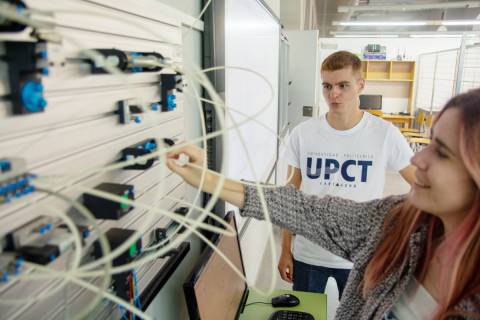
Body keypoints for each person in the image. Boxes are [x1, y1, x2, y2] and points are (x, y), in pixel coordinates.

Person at [167, 88, 480, 319]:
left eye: (441, 152)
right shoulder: (397, 223)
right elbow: (304, 208)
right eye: (428, 143)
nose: (417, 158)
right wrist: (206, 179)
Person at [279, 50, 415, 298]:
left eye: (343, 85)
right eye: (327, 86)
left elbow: (421, 183)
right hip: (309, 253)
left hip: (360, 257)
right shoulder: (303, 133)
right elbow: (291, 195)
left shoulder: (384, 134)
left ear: (360, 85)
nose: (334, 94)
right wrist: (285, 248)